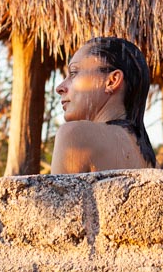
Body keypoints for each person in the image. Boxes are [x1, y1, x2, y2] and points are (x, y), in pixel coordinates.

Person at [51, 36, 157, 173]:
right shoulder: (151, 162)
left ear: (112, 81)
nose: (59, 87)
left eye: (73, 73)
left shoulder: (75, 135)